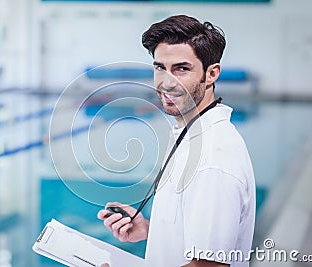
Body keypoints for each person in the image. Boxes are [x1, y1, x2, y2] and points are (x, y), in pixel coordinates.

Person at [97, 15, 255, 267]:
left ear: (211, 73)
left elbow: (209, 265)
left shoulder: (212, 159)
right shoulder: (190, 133)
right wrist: (151, 229)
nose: (166, 82)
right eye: (160, 67)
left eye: (182, 68)